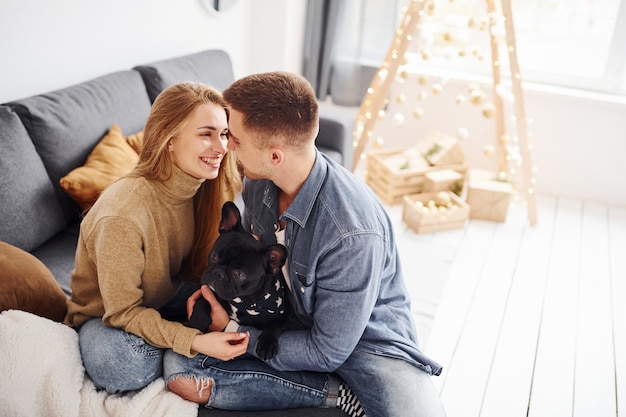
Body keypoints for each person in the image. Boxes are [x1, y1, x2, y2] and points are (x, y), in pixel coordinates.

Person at [165, 72, 446, 417]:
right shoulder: (259, 184)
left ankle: (335, 394)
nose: (227, 147)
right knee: (180, 366)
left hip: (364, 344)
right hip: (287, 319)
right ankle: (329, 393)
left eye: (235, 139)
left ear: (275, 155)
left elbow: (329, 350)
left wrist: (234, 331)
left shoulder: (351, 233)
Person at [64, 82, 246, 394]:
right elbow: (122, 311)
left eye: (223, 134)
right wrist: (194, 339)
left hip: (166, 295)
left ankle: (176, 345)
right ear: (169, 139)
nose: (221, 146)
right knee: (125, 364)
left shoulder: (205, 186)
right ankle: (178, 350)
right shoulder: (122, 214)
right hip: (106, 317)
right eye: (206, 134)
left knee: (248, 299)